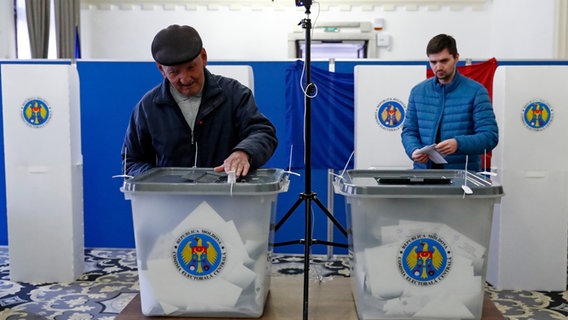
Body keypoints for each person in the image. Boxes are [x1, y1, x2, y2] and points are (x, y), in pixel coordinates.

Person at [122, 24, 278, 177]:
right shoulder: (147, 107)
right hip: (170, 200)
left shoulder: (234, 94)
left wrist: (244, 152)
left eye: (191, 67)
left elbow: (263, 132)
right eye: (175, 72)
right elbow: (132, 161)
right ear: (162, 70)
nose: (185, 78)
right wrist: (158, 180)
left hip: (228, 196)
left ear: (203, 58)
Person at [401, 34, 498, 171]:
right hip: (424, 176)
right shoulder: (418, 92)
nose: (438, 67)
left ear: (456, 58)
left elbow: (490, 136)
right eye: (433, 62)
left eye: (444, 61)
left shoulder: (476, 92)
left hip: (463, 178)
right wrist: (413, 150)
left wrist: (458, 144)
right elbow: (409, 131)